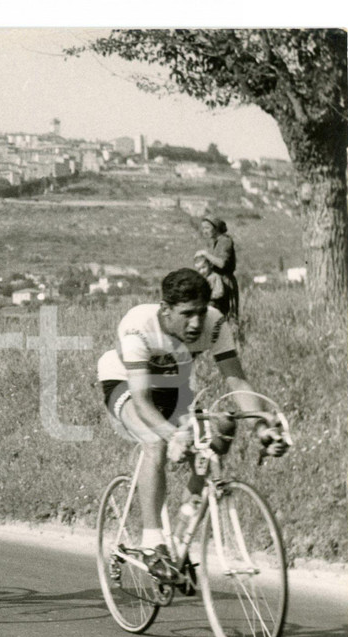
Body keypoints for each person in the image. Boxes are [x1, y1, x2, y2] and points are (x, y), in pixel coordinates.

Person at [96, 268, 288, 578]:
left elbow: (236, 379)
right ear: (165, 309)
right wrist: (172, 434)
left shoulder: (214, 323)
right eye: (186, 314)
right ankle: (152, 541)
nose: (196, 323)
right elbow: (143, 401)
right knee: (154, 442)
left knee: (221, 430)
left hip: (174, 384)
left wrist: (261, 426)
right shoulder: (138, 325)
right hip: (126, 382)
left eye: (200, 312)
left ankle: (181, 532)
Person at [199, 215, 239, 321]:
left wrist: (205, 254)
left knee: (227, 317)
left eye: (207, 228)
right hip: (217, 283)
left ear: (216, 228)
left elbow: (222, 263)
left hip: (225, 283)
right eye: (203, 228)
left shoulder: (225, 241)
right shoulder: (216, 243)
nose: (204, 231)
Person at [193, 251, 229, 316]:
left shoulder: (215, 277)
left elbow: (220, 292)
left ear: (210, 265)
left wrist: (208, 296)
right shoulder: (202, 279)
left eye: (204, 267)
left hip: (214, 305)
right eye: (199, 269)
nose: (202, 271)